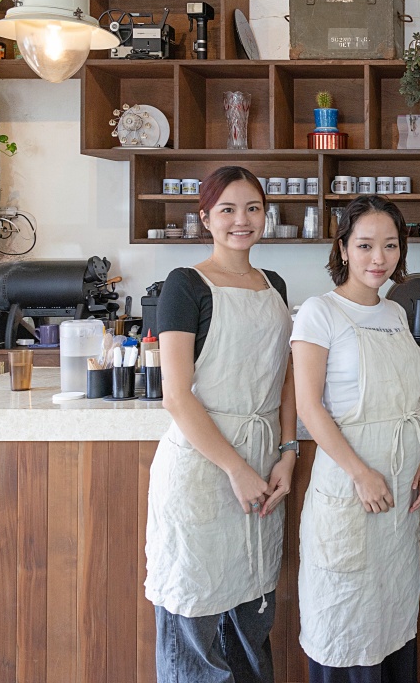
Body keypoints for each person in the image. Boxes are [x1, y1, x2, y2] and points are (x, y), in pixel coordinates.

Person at [146, 165, 296, 683]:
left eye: (253, 208)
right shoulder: (185, 285)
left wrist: (288, 452)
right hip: (203, 472)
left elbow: (284, 378)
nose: (242, 220)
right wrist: (236, 469)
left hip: (263, 466)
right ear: (205, 217)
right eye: (227, 209)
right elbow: (176, 395)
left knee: (252, 624)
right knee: (195, 624)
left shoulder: (274, 285)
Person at [292, 194, 420, 683]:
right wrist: (361, 473)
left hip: (397, 491)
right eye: (366, 244)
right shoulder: (320, 311)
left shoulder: (395, 313)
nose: (379, 258)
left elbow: (404, 403)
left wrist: (419, 464)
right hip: (351, 486)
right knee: (345, 617)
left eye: (390, 245)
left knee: (390, 615)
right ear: (343, 248)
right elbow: (309, 406)